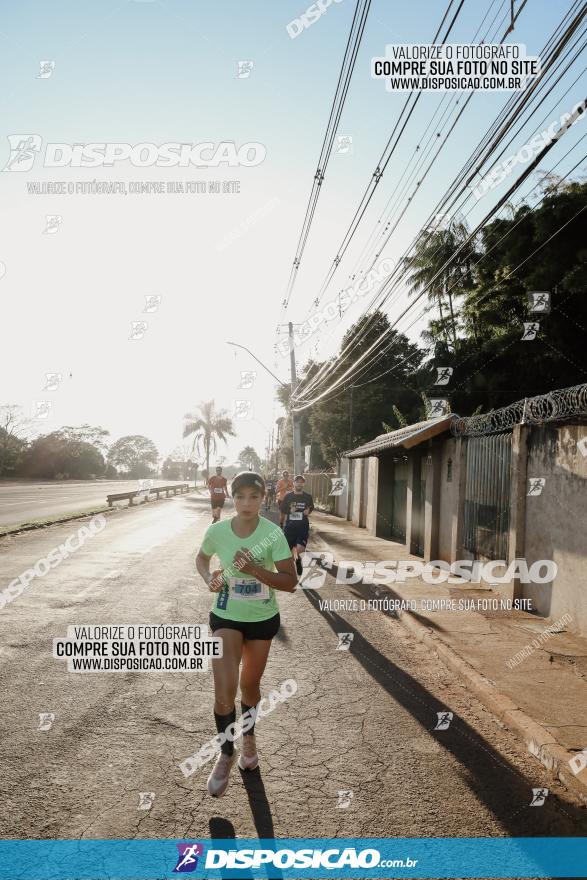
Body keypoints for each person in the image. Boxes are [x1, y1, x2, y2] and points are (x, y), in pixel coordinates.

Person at [195, 471, 297, 797]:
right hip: (225, 615)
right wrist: (208, 577)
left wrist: (254, 569)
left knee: (248, 686)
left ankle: (249, 736)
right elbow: (201, 558)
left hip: (262, 619)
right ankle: (227, 753)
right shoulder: (218, 531)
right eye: (240, 496)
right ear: (231, 497)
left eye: (254, 497)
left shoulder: (273, 534)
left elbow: (290, 581)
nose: (247, 503)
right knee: (223, 692)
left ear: (263, 498)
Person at [280, 475, 314, 577]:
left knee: (300, 549)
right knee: (289, 551)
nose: (299, 484)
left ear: (303, 484)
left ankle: (297, 559)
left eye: (301, 482)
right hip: (290, 528)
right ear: (293, 483)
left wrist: (309, 510)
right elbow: (282, 510)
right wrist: (282, 521)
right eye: (297, 482)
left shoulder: (308, 497)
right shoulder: (288, 496)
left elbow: (311, 506)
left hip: (302, 527)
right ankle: (297, 560)